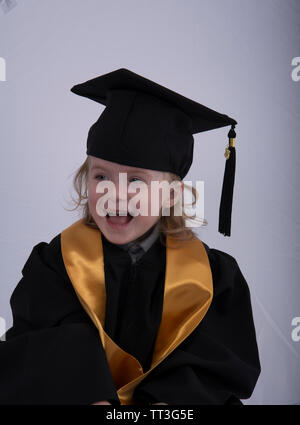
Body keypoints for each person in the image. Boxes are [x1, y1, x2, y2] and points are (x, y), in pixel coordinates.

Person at [0, 68, 260, 405]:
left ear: (171, 194)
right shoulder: (56, 264)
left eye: (136, 181)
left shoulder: (214, 280)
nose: (115, 194)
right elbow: (37, 352)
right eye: (100, 176)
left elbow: (214, 371)